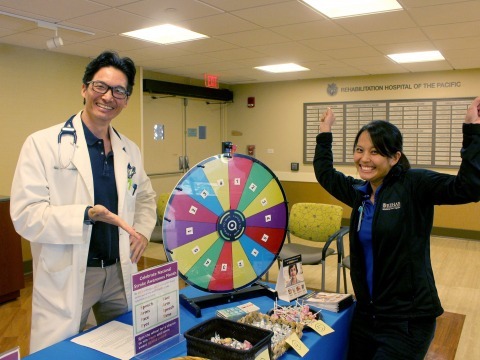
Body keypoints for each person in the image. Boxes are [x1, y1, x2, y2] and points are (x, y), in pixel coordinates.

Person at [10, 51, 157, 353]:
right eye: (100, 86)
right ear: (84, 89)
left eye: (119, 91)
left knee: (127, 346)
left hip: (118, 271)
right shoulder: (43, 144)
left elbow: (145, 196)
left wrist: (141, 231)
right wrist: (85, 215)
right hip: (71, 272)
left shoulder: (129, 149)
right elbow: (25, 214)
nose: (108, 97)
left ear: (126, 99)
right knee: (61, 353)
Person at [313, 97, 480, 359]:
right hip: (366, 317)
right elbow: (325, 173)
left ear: (395, 157)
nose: (364, 159)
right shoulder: (359, 193)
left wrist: (473, 131)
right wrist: (325, 132)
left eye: (375, 152)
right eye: (359, 150)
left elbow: (468, 187)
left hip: (407, 321)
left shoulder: (415, 185)